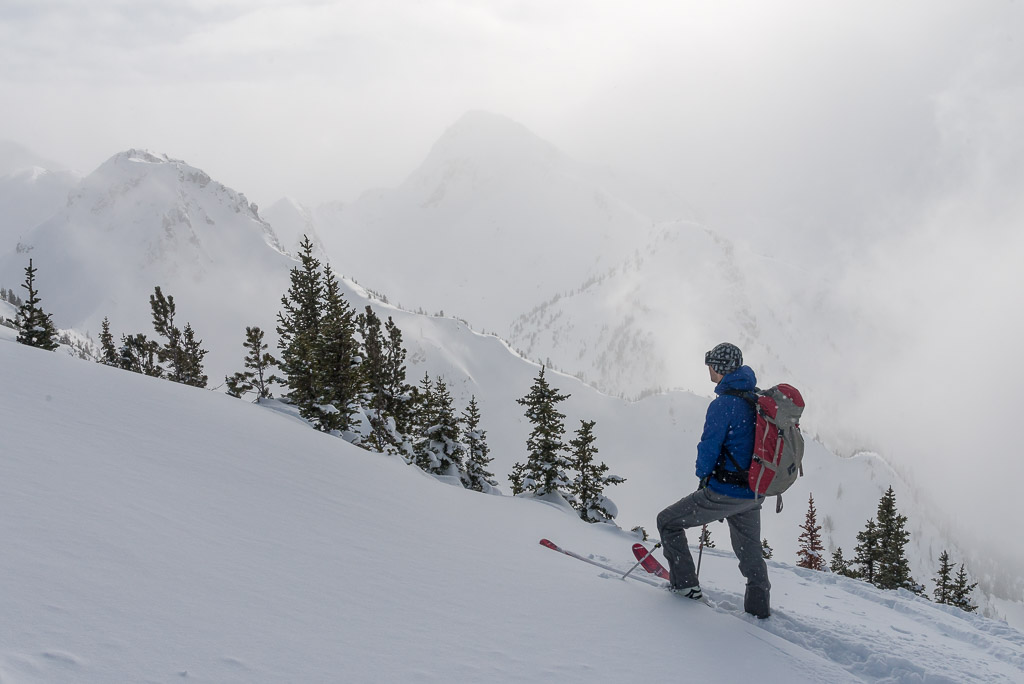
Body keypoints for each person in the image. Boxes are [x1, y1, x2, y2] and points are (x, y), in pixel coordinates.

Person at [656, 342, 771, 619]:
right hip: (753, 492)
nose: (707, 368)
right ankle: (759, 607)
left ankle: (685, 587)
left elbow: (708, 448)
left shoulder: (724, 404)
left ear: (719, 368)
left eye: (710, 364)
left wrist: (703, 476)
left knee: (668, 522)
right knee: (750, 551)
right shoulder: (756, 398)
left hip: (725, 491)